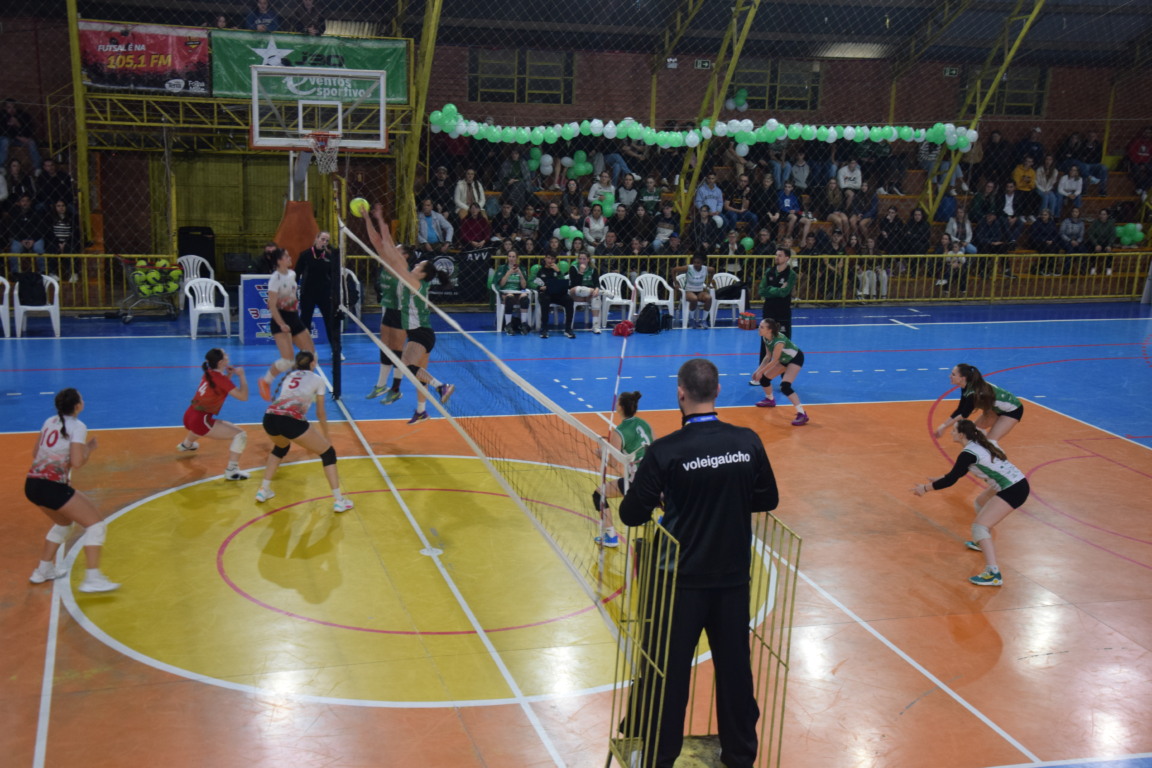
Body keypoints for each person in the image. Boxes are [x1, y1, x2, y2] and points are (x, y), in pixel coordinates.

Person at [618, 358, 778, 768]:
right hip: (732, 579)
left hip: (678, 582)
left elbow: (632, 515)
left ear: (680, 392)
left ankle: (659, 755)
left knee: (667, 673)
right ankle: (740, 754)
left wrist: (668, 498)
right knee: (735, 670)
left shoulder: (666, 451)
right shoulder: (747, 441)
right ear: (719, 391)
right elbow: (767, 499)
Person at [364, 203, 456, 422]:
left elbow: (386, 245)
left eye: (419, 265)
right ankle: (421, 410)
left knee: (405, 366)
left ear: (422, 273)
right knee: (417, 374)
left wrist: (380, 219)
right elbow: (383, 245)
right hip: (421, 333)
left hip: (421, 334)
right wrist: (375, 220)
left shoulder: (413, 282)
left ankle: (442, 386)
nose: (415, 265)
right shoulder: (414, 279)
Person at [912, 419, 1030, 587]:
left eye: (953, 430)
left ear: (961, 434)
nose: (951, 433)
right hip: (1016, 482)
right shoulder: (979, 444)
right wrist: (940, 479)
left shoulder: (968, 453)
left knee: (979, 527)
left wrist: (925, 488)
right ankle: (982, 542)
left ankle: (993, 573)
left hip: (1013, 489)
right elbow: (956, 474)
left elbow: (951, 480)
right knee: (980, 502)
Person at [25, 388, 119, 592]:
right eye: (82, 399)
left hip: (32, 484)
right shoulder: (78, 426)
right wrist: (88, 450)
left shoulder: (49, 421)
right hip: (52, 486)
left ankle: (43, 570)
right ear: (77, 406)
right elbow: (77, 462)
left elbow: (35, 452)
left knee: (64, 524)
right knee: (95, 525)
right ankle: (92, 578)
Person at [256, 351, 353, 512]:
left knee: (280, 448)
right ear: (313, 364)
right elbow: (320, 412)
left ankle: (263, 490)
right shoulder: (318, 380)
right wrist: (326, 436)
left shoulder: (289, 376)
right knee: (328, 453)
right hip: (290, 421)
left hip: (269, 417)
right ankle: (339, 501)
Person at [591, 391, 653, 547]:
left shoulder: (619, 432)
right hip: (654, 476)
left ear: (620, 407)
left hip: (637, 480)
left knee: (599, 494)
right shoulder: (645, 424)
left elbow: (612, 463)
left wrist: (601, 453)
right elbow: (655, 448)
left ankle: (611, 537)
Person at [178, 348, 250, 480]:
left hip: (189, 415)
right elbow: (243, 396)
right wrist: (242, 376)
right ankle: (232, 471)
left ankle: (186, 445)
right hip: (200, 420)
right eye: (225, 355)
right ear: (221, 362)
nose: (228, 355)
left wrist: (228, 376)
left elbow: (219, 388)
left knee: (200, 426)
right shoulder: (220, 379)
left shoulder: (208, 373)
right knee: (240, 435)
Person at [258, 248, 316, 401]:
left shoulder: (292, 274)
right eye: (286, 256)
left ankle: (303, 387)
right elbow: (271, 305)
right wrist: (281, 324)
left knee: (311, 354)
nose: (290, 257)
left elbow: (291, 297)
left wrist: (292, 303)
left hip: (294, 317)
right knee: (288, 361)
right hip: (280, 319)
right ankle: (265, 382)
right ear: (279, 261)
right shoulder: (275, 279)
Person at [934, 363, 1023, 442]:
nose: (950, 376)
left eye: (953, 374)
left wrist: (944, 427)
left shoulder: (973, 393)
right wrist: (944, 425)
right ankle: (980, 449)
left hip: (1012, 411)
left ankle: (992, 456)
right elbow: (960, 409)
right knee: (974, 432)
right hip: (994, 409)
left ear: (962, 378)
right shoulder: (966, 386)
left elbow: (964, 414)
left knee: (991, 442)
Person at [367, 244, 408, 399]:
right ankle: (380, 386)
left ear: (404, 256)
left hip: (401, 313)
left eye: (397, 251)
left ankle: (396, 389)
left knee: (398, 350)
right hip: (388, 310)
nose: (393, 252)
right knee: (385, 347)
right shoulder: (387, 267)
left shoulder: (406, 272)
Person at [750, 318, 809, 425]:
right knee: (764, 380)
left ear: (769, 330)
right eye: (760, 326)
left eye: (762, 327)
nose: (759, 328)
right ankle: (770, 400)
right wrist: (758, 370)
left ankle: (802, 414)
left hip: (795, 359)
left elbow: (775, 360)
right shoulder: (766, 338)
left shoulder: (779, 341)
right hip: (783, 359)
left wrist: (761, 372)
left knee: (785, 386)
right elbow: (767, 356)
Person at [296, 231, 339, 350]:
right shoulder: (305, 255)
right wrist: (293, 291)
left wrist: (334, 294)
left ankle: (336, 350)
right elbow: (296, 274)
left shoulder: (330, 257)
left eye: (327, 240)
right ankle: (305, 349)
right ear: (316, 239)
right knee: (305, 322)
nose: (324, 242)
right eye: (322, 239)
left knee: (330, 322)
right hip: (307, 294)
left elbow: (334, 277)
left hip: (324, 295)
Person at [533, 252, 575, 338]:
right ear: (545, 258)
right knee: (545, 300)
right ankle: (544, 329)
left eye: (552, 259)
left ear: (555, 260)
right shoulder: (539, 270)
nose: (550, 260)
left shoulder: (557, 270)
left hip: (557, 294)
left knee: (569, 300)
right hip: (544, 294)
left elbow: (564, 282)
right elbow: (530, 282)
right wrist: (539, 287)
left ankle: (568, 329)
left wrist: (558, 271)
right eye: (548, 258)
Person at [758, 248, 796, 336]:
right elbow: (761, 291)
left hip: (782, 310)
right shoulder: (769, 271)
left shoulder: (791, 274)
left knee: (783, 339)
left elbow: (784, 293)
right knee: (766, 338)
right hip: (768, 309)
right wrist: (776, 289)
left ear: (787, 258)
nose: (776, 257)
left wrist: (769, 290)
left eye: (780, 255)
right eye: (776, 255)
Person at [0, 98, 43, 173]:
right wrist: (17, 136)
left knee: (31, 142)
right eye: (8, 107)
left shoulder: (24, 115)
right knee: (5, 141)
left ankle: (37, 168)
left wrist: (18, 124)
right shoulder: (1, 115)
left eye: (13, 107)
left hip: (19, 139)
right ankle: (1, 166)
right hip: (6, 138)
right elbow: (2, 131)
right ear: (4, 108)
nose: (11, 109)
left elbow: (28, 131)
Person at [672, 254, 714, 329]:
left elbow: (713, 271)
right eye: (694, 262)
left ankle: (704, 320)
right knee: (694, 299)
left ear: (702, 263)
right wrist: (676, 282)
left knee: (709, 298)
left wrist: (708, 283)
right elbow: (674, 270)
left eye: (698, 263)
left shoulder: (706, 269)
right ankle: (691, 320)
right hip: (689, 291)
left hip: (700, 291)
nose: (696, 264)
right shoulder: (688, 268)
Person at [568, 251, 603, 333]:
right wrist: (580, 272)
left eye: (584, 259)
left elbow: (596, 283)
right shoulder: (573, 268)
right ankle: (603, 292)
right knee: (578, 289)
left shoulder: (593, 269)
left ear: (588, 260)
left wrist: (597, 289)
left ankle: (595, 326)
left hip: (588, 296)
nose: (582, 261)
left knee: (596, 298)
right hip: (576, 294)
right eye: (580, 259)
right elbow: (574, 284)